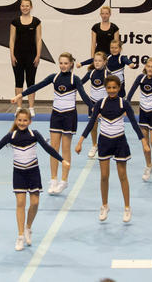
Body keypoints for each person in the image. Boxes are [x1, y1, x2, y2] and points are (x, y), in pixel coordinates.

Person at [0, 108, 67, 251]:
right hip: (19, 174)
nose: (22, 123)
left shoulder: (34, 135)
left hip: (33, 172)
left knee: (35, 203)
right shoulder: (11, 136)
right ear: (16, 121)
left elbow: (48, 148)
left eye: (25, 120)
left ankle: (28, 227)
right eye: (19, 120)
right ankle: (20, 236)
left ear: (30, 121)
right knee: (20, 203)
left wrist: (62, 160)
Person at [12, 52, 93, 195]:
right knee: (53, 148)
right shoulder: (54, 77)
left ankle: (64, 180)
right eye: (61, 63)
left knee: (65, 149)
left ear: (71, 64)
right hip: (56, 115)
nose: (63, 66)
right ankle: (53, 179)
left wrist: (96, 109)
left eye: (66, 63)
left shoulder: (75, 79)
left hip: (69, 116)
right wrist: (20, 95)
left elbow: (85, 97)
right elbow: (37, 86)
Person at [75, 76, 149, 223]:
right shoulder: (100, 103)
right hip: (104, 142)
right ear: (105, 88)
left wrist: (144, 142)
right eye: (109, 88)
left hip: (120, 142)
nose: (112, 90)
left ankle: (127, 207)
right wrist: (80, 141)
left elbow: (134, 123)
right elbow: (91, 123)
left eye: (114, 87)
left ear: (119, 88)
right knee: (104, 176)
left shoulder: (124, 103)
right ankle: (104, 205)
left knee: (122, 176)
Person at [125, 57, 152, 181]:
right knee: (145, 142)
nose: (150, 69)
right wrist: (126, 107)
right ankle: (148, 165)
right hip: (143, 112)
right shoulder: (140, 78)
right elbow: (130, 93)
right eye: (148, 66)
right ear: (145, 67)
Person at [9, 0, 42, 117]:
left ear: (31, 7)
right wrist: (12, 55)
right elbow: (12, 39)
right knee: (18, 81)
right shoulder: (15, 22)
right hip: (18, 55)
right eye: (23, 6)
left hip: (32, 56)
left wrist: (38, 55)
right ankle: (19, 107)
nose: (25, 8)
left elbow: (39, 39)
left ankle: (31, 107)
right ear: (20, 7)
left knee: (31, 81)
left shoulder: (36, 22)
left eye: (27, 6)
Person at [79, 51, 107, 158]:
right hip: (93, 103)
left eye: (100, 61)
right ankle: (95, 145)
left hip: (104, 104)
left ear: (104, 62)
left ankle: (104, 146)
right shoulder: (90, 73)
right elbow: (79, 84)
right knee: (93, 126)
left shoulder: (107, 74)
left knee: (105, 127)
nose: (97, 63)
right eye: (95, 60)